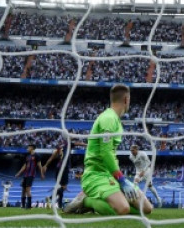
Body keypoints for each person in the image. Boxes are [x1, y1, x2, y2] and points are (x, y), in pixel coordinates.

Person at [64, 84, 152, 216]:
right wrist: (122, 180)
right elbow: (105, 153)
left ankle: (108, 200)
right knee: (123, 209)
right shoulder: (108, 119)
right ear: (126, 100)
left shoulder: (115, 120)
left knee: (147, 208)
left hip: (110, 175)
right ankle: (86, 200)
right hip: (96, 176)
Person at [43, 136, 78, 210]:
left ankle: (59, 205)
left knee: (60, 187)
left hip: (57, 169)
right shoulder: (68, 145)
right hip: (64, 168)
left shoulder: (58, 149)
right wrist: (86, 145)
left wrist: (45, 165)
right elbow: (78, 143)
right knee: (63, 187)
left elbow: (51, 158)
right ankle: (50, 198)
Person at [14, 144, 43, 209]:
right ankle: (23, 205)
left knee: (28, 190)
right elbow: (24, 166)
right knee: (23, 190)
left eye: (28, 147)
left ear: (32, 148)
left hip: (31, 175)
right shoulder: (27, 156)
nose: (27, 148)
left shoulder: (36, 155)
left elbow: (39, 165)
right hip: (25, 175)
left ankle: (29, 205)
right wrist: (19, 173)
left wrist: (41, 174)